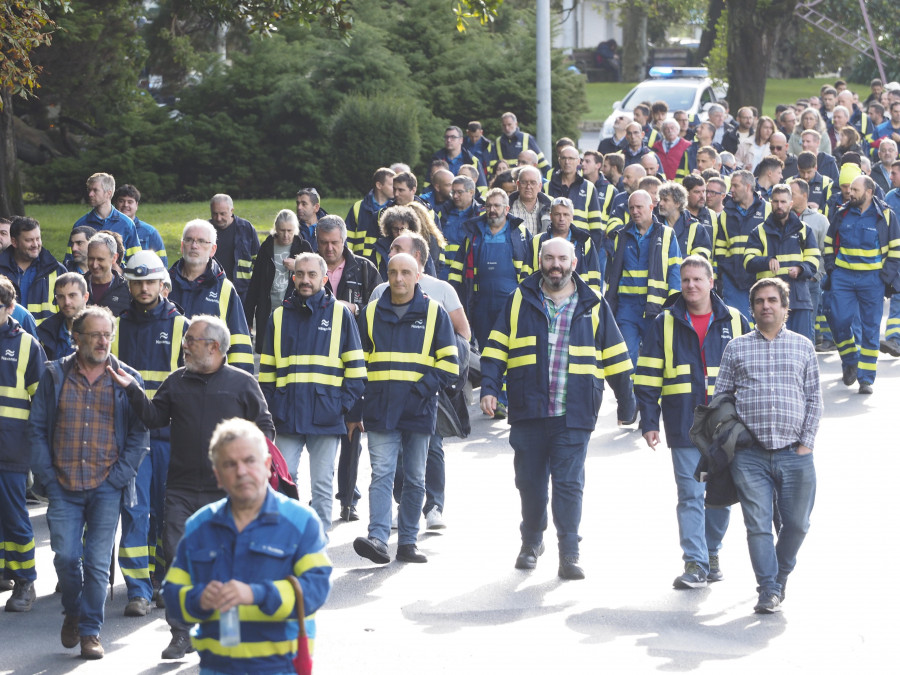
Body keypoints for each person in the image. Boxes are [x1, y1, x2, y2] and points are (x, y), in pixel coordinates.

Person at [108, 314, 275, 659]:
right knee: (179, 561)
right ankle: (181, 634)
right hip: (182, 489)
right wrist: (132, 389)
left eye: (191, 340)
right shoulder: (177, 381)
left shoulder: (243, 384)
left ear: (213, 346)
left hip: (227, 493)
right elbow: (154, 417)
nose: (184, 345)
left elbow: (265, 428)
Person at [480, 237, 635, 579]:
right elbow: (495, 348)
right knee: (530, 483)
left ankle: (570, 552)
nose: (555, 265)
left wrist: (628, 403)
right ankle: (532, 541)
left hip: (575, 410)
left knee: (568, 484)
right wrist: (489, 388)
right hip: (528, 409)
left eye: (562, 259)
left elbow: (616, 355)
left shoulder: (592, 304)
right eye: (549, 258)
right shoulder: (519, 299)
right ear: (540, 261)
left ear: (574, 263)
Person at [163, 418, 332, 675]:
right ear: (218, 476)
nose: (241, 471)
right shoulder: (200, 526)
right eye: (230, 464)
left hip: (280, 669)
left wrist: (257, 594)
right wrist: (198, 599)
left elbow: (315, 589)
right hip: (215, 668)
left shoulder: (301, 522)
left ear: (267, 466)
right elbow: (172, 594)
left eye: (249, 461)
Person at [29, 305, 149, 658]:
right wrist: (48, 478)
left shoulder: (127, 379)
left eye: (107, 334)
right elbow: (36, 429)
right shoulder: (54, 375)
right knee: (66, 557)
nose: (102, 341)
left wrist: (119, 478)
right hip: (63, 485)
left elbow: (139, 434)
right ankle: (74, 609)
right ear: (75, 337)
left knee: (97, 565)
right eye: (94, 334)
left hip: (105, 487)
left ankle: (90, 631)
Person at [636, 255, 748, 589]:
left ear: (711, 282)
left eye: (698, 280)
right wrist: (649, 420)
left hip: (727, 428)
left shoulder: (737, 321)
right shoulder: (664, 323)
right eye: (685, 280)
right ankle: (695, 562)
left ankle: (712, 552)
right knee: (690, 494)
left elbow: (752, 376)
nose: (691, 286)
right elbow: (648, 375)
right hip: (683, 423)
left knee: (720, 496)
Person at [714, 277, 822, 614]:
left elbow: (815, 398)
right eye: (760, 301)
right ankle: (768, 589)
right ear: (752, 308)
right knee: (758, 525)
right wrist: (736, 436)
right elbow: (721, 398)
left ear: (786, 308)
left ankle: (780, 576)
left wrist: (806, 444)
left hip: (795, 453)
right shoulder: (737, 347)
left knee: (798, 524)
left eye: (773, 300)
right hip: (750, 456)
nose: (766, 306)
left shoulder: (804, 346)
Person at [352, 253, 458, 565]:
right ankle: (378, 538)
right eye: (393, 272)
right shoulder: (370, 313)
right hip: (380, 408)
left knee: (414, 478)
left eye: (405, 273)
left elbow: (450, 364)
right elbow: (357, 364)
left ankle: (408, 542)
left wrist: (421, 391)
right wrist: (359, 405)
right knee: (382, 474)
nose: (398, 279)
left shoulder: (434, 313)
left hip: (418, 409)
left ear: (417, 276)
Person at [367, 232, 469, 531]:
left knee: (429, 452)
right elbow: (364, 354)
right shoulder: (377, 298)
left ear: (419, 267)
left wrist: (428, 385)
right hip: (384, 402)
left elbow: (462, 335)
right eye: (392, 265)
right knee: (388, 467)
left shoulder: (441, 293)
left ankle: (433, 505)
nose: (397, 275)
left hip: (424, 398)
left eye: (401, 252)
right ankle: (386, 528)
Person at [259, 252, 366, 529]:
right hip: (287, 414)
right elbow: (267, 373)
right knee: (283, 478)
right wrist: (272, 408)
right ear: (293, 277)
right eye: (300, 274)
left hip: (326, 416)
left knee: (322, 485)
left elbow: (356, 371)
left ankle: (318, 548)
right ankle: (287, 540)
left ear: (324, 277)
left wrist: (340, 407)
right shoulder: (278, 316)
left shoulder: (341, 314)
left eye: (312, 275)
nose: (305, 280)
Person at [111, 251, 189, 617]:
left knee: (165, 513)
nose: (143, 288)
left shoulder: (181, 327)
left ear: (163, 284)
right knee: (136, 511)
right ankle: (138, 589)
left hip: (171, 438)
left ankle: (161, 579)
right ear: (128, 284)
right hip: (130, 439)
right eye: (136, 282)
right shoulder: (115, 326)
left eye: (149, 282)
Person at [315, 216, 381, 522]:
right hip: (318, 363)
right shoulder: (309, 268)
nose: (329, 249)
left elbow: (380, 308)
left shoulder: (365, 269)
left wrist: (357, 309)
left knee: (353, 430)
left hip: (356, 359)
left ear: (345, 241)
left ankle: (349, 497)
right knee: (323, 432)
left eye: (334, 243)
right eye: (323, 243)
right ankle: (323, 496)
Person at [823, 175, 900, 394]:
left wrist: (885, 278)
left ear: (868, 192)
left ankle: (866, 379)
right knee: (838, 321)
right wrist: (832, 269)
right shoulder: (842, 213)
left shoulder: (885, 216)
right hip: (843, 278)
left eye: (855, 189)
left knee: (870, 329)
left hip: (872, 281)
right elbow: (829, 243)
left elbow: (895, 250)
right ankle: (850, 361)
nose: (850, 193)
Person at [0, 276, 46, 612]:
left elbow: (41, 404)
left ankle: (25, 579)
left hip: (10, 447)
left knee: (15, 516)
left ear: (9, 307)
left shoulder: (27, 345)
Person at [605, 189, 682, 368]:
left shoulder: (667, 234)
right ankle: (628, 395)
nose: (635, 211)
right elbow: (614, 274)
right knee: (626, 355)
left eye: (639, 207)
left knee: (653, 355)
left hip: (656, 306)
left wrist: (674, 304)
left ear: (651, 207)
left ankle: (648, 394)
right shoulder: (622, 235)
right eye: (632, 208)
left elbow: (674, 270)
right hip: (627, 307)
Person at [168, 219, 254, 373]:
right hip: (170, 381)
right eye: (189, 240)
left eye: (201, 241)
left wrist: (238, 385)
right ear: (182, 246)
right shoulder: (164, 285)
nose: (194, 246)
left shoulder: (225, 289)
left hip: (210, 382)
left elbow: (239, 343)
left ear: (213, 249)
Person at [743, 184, 820, 342]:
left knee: (802, 346)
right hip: (769, 302)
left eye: (783, 202)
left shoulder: (805, 230)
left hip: (798, 298)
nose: (779, 206)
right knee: (768, 349)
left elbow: (814, 260)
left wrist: (800, 268)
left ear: (791, 203)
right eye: (776, 201)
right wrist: (766, 261)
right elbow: (748, 261)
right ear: (770, 203)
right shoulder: (759, 232)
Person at [243, 209, 312, 353]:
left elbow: (315, 277)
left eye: (290, 231)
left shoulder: (303, 247)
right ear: (276, 229)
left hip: (294, 310)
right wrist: (247, 318)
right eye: (282, 231)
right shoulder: (267, 247)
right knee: (268, 353)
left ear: (296, 230)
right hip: (268, 310)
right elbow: (255, 284)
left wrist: (297, 266)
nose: (286, 235)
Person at [715, 170, 771, 318]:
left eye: (735, 186)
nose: (731, 190)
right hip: (734, 279)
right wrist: (727, 270)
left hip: (761, 277)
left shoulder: (768, 209)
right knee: (738, 321)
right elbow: (720, 248)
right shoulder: (725, 214)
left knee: (762, 320)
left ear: (747, 186)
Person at [527, 197, 605, 295]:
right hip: (542, 298)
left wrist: (592, 300)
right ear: (550, 216)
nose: (561, 219)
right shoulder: (536, 241)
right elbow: (526, 275)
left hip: (578, 299)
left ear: (572, 217)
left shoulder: (585, 242)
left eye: (566, 214)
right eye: (557, 214)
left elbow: (595, 277)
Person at [0, 216, 66, 325]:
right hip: (5, 339)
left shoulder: (57, 270)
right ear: (14, 242)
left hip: (45, 341)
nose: (35, 244)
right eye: (29, 240)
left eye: (38, 239)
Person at [71, 172, 141, 260]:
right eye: (89, 190)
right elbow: (70, 262)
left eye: (95, 190)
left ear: (108, 193)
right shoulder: (80, 224)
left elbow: (136, 260)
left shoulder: (127, 224)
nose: (90, 194)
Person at [547, 145, 605, 249]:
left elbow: (596, 225)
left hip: (581, 246)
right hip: (553, 245)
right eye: (564, 158)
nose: (567, 162)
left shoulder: (589, 187)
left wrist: (592, 252)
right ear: (559, 160)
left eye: (571, 158)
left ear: (578, 161)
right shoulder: (548, 187)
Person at [209, 194, 260, 302]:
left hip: (242, 292)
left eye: (223, 214)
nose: (218, 218)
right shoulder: (205, 230)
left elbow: (258, 261)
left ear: (231, 210)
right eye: (215, 214)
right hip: (210, 289)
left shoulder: (247, 229)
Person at [346, 167, 395, 260]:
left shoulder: (395, 208)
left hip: (385, 261)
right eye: (392, 185)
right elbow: (348, 236)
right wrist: (348, 258)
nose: (395, 189)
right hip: (360, 260)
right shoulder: (358, 207)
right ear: (379, 185)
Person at [37, 272, 89, 360]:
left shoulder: (101, 332)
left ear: (85, 297)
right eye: (61, 297)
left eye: (72, 295)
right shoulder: (45, 332)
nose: (66, 302)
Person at [113, 184, 167, 266]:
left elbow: (162, 265)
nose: (125, 205)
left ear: (136, 205)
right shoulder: (109, 228)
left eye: (130, 202)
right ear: (115, 203)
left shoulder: (150, 232)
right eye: (121, 201)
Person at [657, 181, 712, 260]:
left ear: (678, 203)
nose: (661, 203)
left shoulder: (695, 227)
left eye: (665, 200)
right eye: (660, 199)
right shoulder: (654, 224)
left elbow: (701, 256)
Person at [85, 232, 131, 316]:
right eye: (91, 259)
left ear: (114, 258)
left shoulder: (127, 290)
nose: (94, 265)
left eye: (100, 259)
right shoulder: (78, 286)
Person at [508, 166, 551, 237]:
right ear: (518, 184)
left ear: (540, 186)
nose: (528, 187)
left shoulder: (550, 209)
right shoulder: (507, 208)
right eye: (524, 182)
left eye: (533, 183)